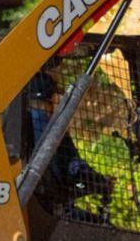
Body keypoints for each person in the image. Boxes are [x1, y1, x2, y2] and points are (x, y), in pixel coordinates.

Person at [28, 71, 114, 223]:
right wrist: (100, 182)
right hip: (54, 215)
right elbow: (75, 167)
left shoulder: (15, 125)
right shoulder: (53, 130)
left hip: (35, 212)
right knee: (103, 227)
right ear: (53, 99)